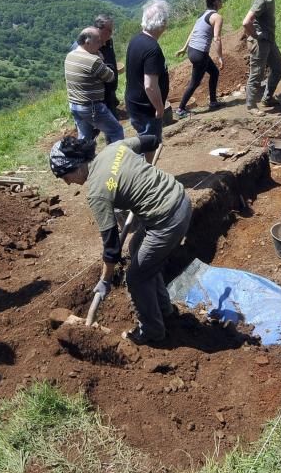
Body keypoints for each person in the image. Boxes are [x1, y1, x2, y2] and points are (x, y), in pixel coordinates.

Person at [49, 135, 191, 345]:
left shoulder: (97, 192)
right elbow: (152, 140)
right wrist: (142, 174)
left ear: (76, 166)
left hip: (167, 222)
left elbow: (112, 247)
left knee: (136, 278)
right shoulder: (114, 148)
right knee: (136, 247)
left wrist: (105, 281)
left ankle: (152, 332)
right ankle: (164, 309)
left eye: (65, 176)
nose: (68, 183)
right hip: (180, 198)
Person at [124, 0, 171, 163]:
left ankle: (141, 172)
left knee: (143, 141)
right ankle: (144, 176)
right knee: (149, 144)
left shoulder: (136, 40)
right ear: (162, 24)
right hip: (146, 108)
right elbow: (150, 86)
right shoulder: (152, 49)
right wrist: (159, 107)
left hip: (134, 103)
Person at [65, 26, 123, 144]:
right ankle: (118, 159)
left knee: (84, 138)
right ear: (87, 42)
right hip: (92, 107)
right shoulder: (93, 60)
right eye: (98, 42)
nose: (101, 45)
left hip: (75, 105)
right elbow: (110, 77)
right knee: (116, 131)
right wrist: (100, 59)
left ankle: (83, 161)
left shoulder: (70, 56)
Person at [174, 0, 224, 118]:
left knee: (214, 72)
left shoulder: (202, 14)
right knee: (195, 82)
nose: (222, 2)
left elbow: (193, 32)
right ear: (216, 2)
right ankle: (180, 109)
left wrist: (184, 48)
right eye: (221, 0)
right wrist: (220, 57)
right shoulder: (217, 17)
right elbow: (217, 38)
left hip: (193, 50)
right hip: (200, 53)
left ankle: (213, 102)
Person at [242, 0, 281, 114]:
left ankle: (267, 98)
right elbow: (246, 22)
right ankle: (251, 106)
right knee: (257, 74)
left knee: (279, 68)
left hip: (269, 40)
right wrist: (257, 36)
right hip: (260, 43)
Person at [94, 14, 120, 114]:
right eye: (109, 30)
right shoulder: (91, 46)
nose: (111, 33)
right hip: (99, 97)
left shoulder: (109, 42)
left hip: (110, 92)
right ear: (98, 29)